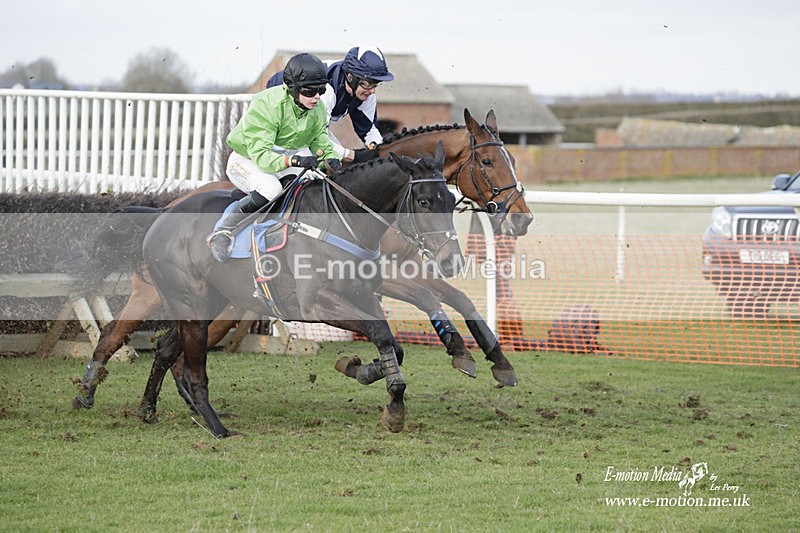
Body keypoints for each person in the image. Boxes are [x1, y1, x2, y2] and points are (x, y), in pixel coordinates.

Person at [207, 53, 341, 263]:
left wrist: (331, 159)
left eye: (321, 90)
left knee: (317, 182)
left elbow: (321, 143)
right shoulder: (266, 105)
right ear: (293, 89)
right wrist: (295, 161)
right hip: (247, 160)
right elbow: (261, 157)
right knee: (271, 189)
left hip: (280, 161)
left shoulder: (317, 109)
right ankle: (223, 231)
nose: (317, 96)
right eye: (310, 91)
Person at [266, 45, 394, 164]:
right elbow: (316, 140)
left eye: (376, 84)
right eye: (367, 83)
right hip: (284, 107)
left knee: (335, 161)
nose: (372, 90)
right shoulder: (325, 91)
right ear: (350, 77)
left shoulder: (365, 93)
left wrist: (378, 150)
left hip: (310, 123)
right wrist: (354, 156)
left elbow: (370, 131)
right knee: (318, 162)